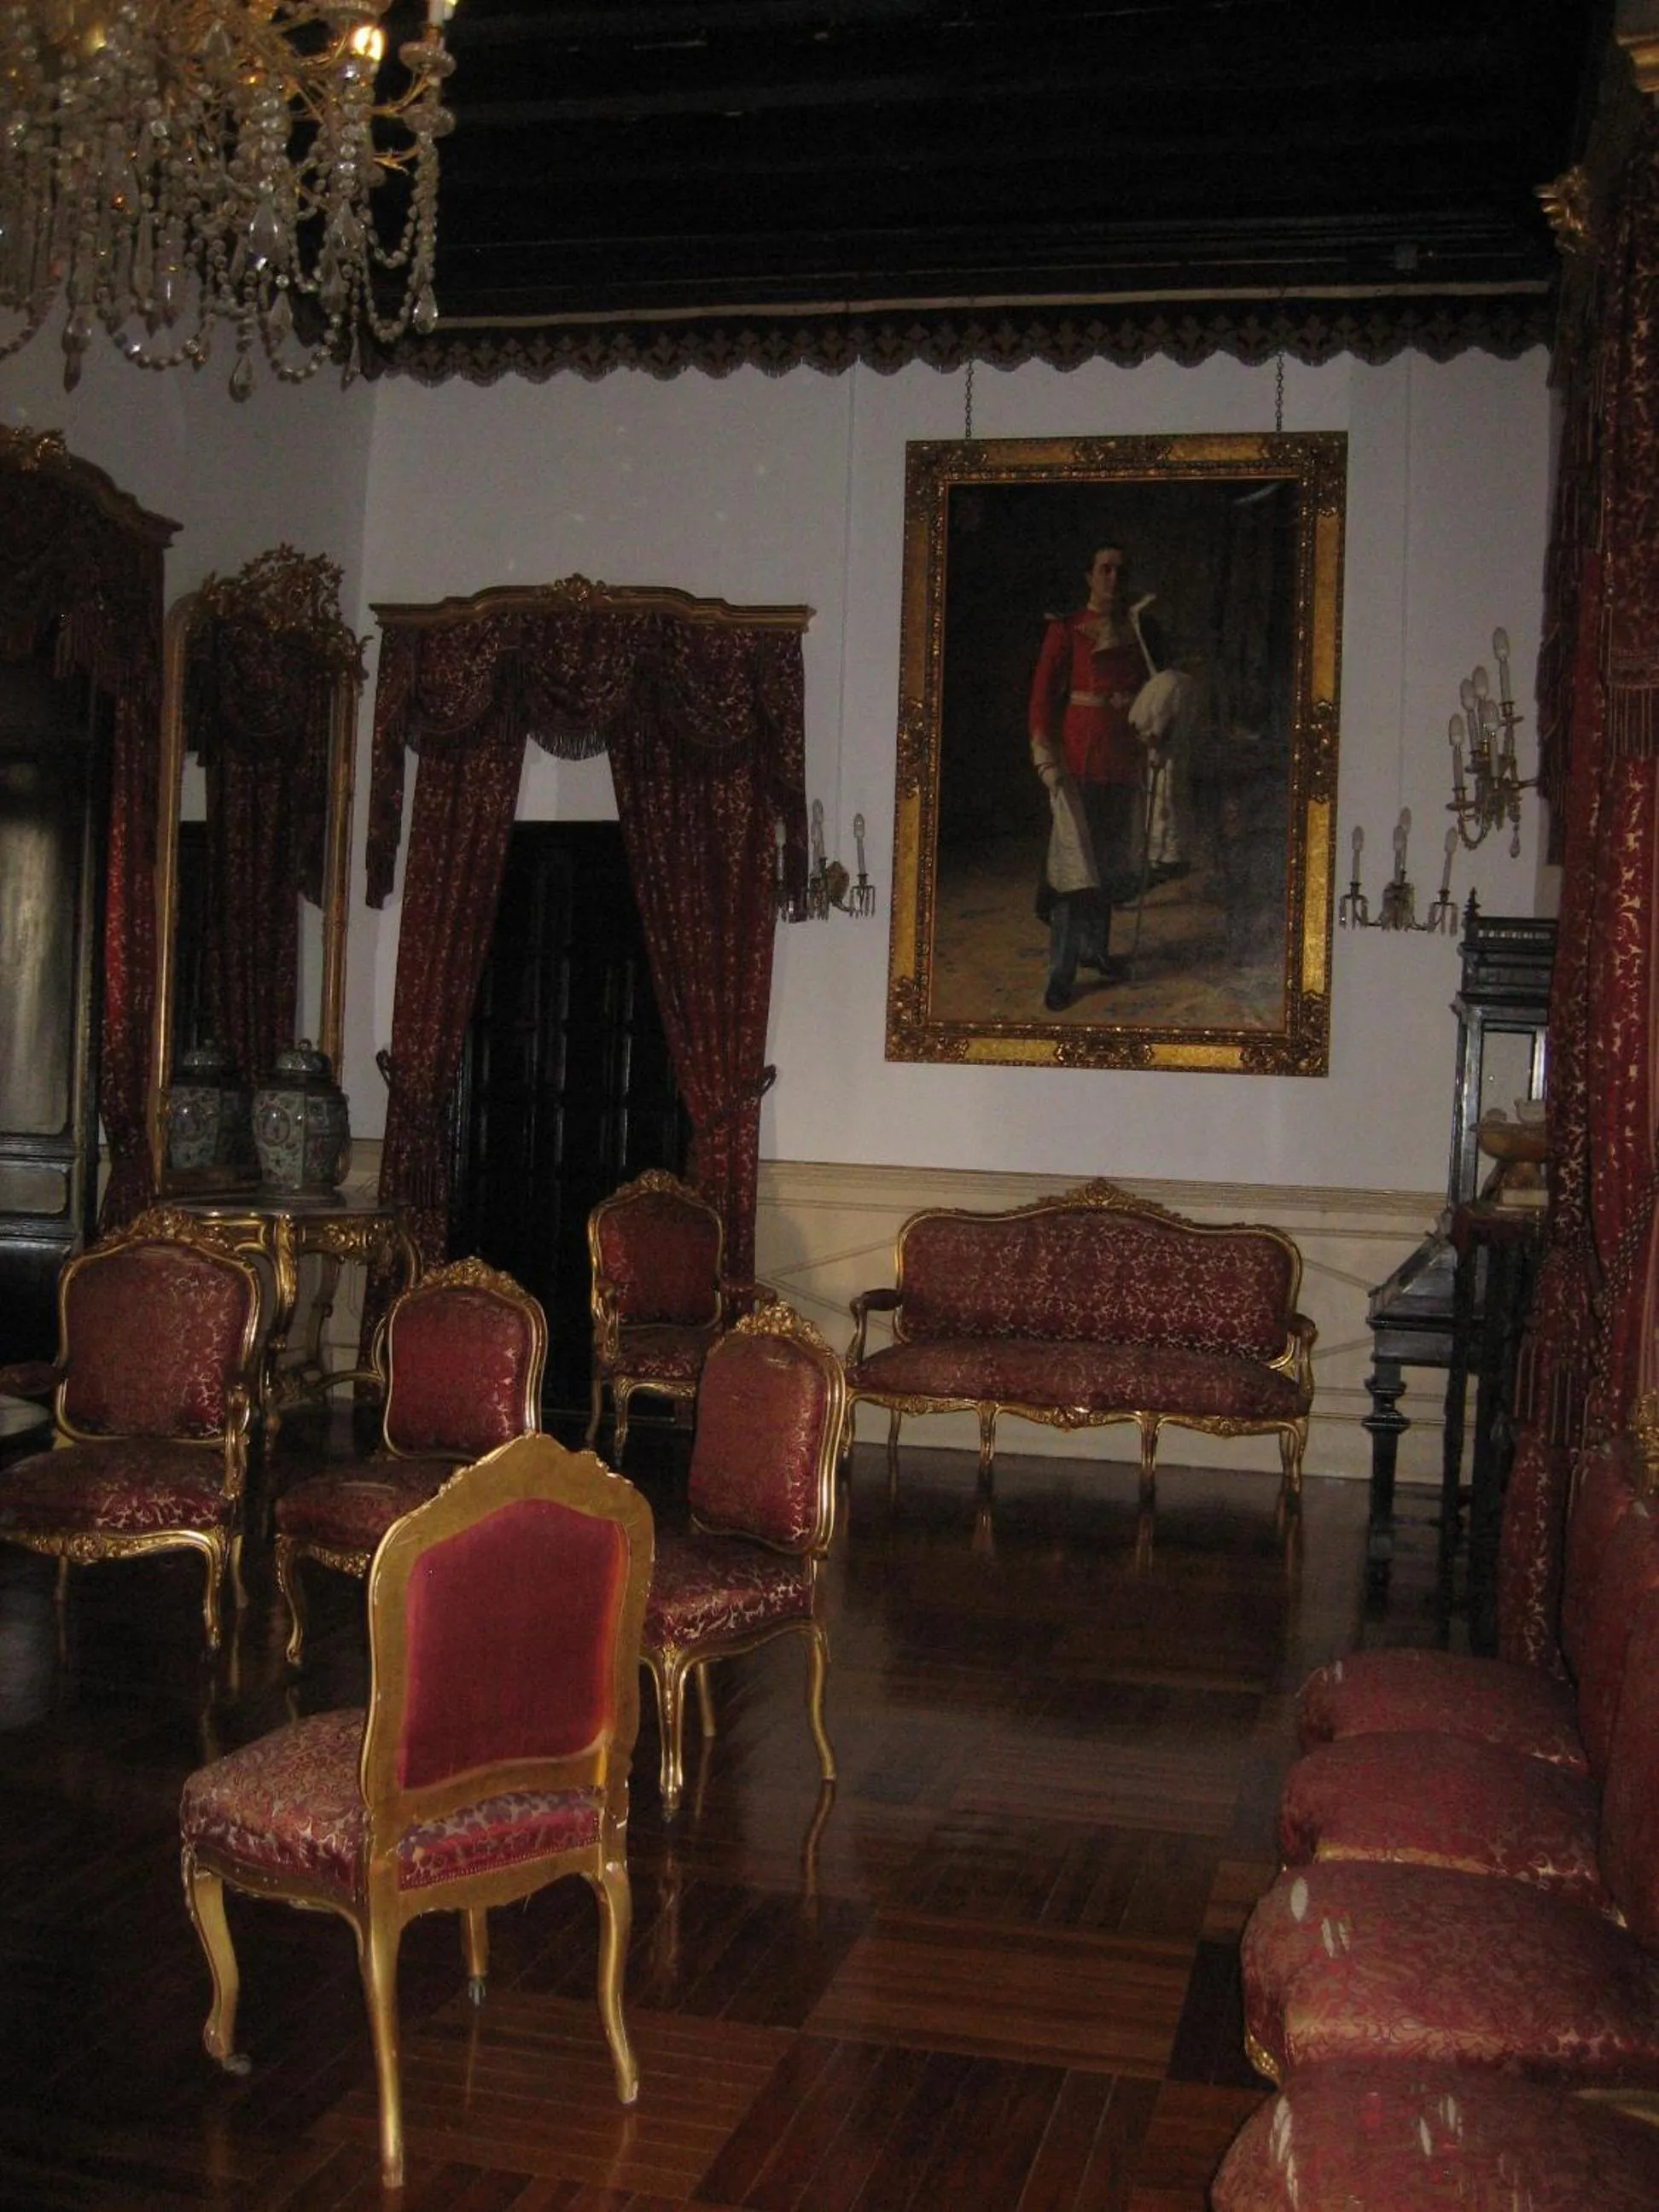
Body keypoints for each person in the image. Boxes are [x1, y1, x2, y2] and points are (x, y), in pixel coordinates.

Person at [1028, 543, 1190, 1011]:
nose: (1113, 579)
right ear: (1089, 576)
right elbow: (1041, 699)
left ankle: (1095, 951)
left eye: (1121, 571)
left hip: (1124, 760)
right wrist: (1046, 758)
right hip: (1079, 758)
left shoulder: (1140, 630)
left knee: (1109, 867)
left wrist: (1159, 731)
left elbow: (1157, 691)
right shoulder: (1067, 630)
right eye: (1105, 569)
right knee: (1070, 873)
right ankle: (1061, 973)